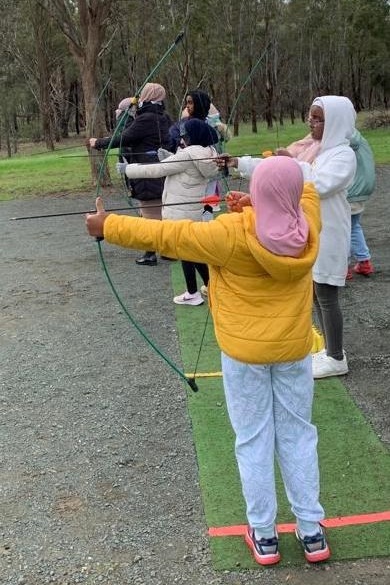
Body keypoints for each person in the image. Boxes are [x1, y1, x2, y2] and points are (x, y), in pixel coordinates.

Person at [85, 156, 330, 566]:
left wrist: (107, 225)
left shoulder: (228, 233)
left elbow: (169, 235)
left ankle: (265, 536)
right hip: (292, 351)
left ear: (262, 194)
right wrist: (258, 197)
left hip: (244, 355)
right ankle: (311, 532)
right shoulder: (309, 224)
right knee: (298, 435)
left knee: (253, 439)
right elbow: (304, 187)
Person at [220, 95, 357, 379]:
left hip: (330, 231)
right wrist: (239, 163)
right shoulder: (313, 150)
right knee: (317, 294)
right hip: (310, 229)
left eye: (319, 118)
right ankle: (331, 349)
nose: (312, 122)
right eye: (312, 116)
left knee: (328, 294)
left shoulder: (343, 155)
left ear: (336, 123)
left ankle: (336, 357)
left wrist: (289, 165)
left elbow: (315, 184)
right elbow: (283, 174)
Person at [117, 118, 220, 305]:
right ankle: (204, 289)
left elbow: (158, 170)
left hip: (179, 213)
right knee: (189, 252)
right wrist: (169, 157)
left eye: (185, 137)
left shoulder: (187, 154)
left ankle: (201, 291)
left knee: (189, 253)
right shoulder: (208, 153)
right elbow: (179, 168)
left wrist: (128, 169)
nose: (181, 141)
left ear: (194, 136)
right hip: (191, 211)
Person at [89, 83, 172, 266]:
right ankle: (167, 249)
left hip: (146, 172)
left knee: (149, 213)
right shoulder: (163, 117)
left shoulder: (146, 118)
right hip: (161, 169)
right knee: (160, 210)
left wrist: (98, 143)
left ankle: (150, 253)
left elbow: (124, 138)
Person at [346, 129, 376, 279]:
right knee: (353, 226)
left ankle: (342, 267)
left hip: (351, 192)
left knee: (343, 229)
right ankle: (364, 261)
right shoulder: (358, 136)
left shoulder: (346, 140)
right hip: (360, 190)